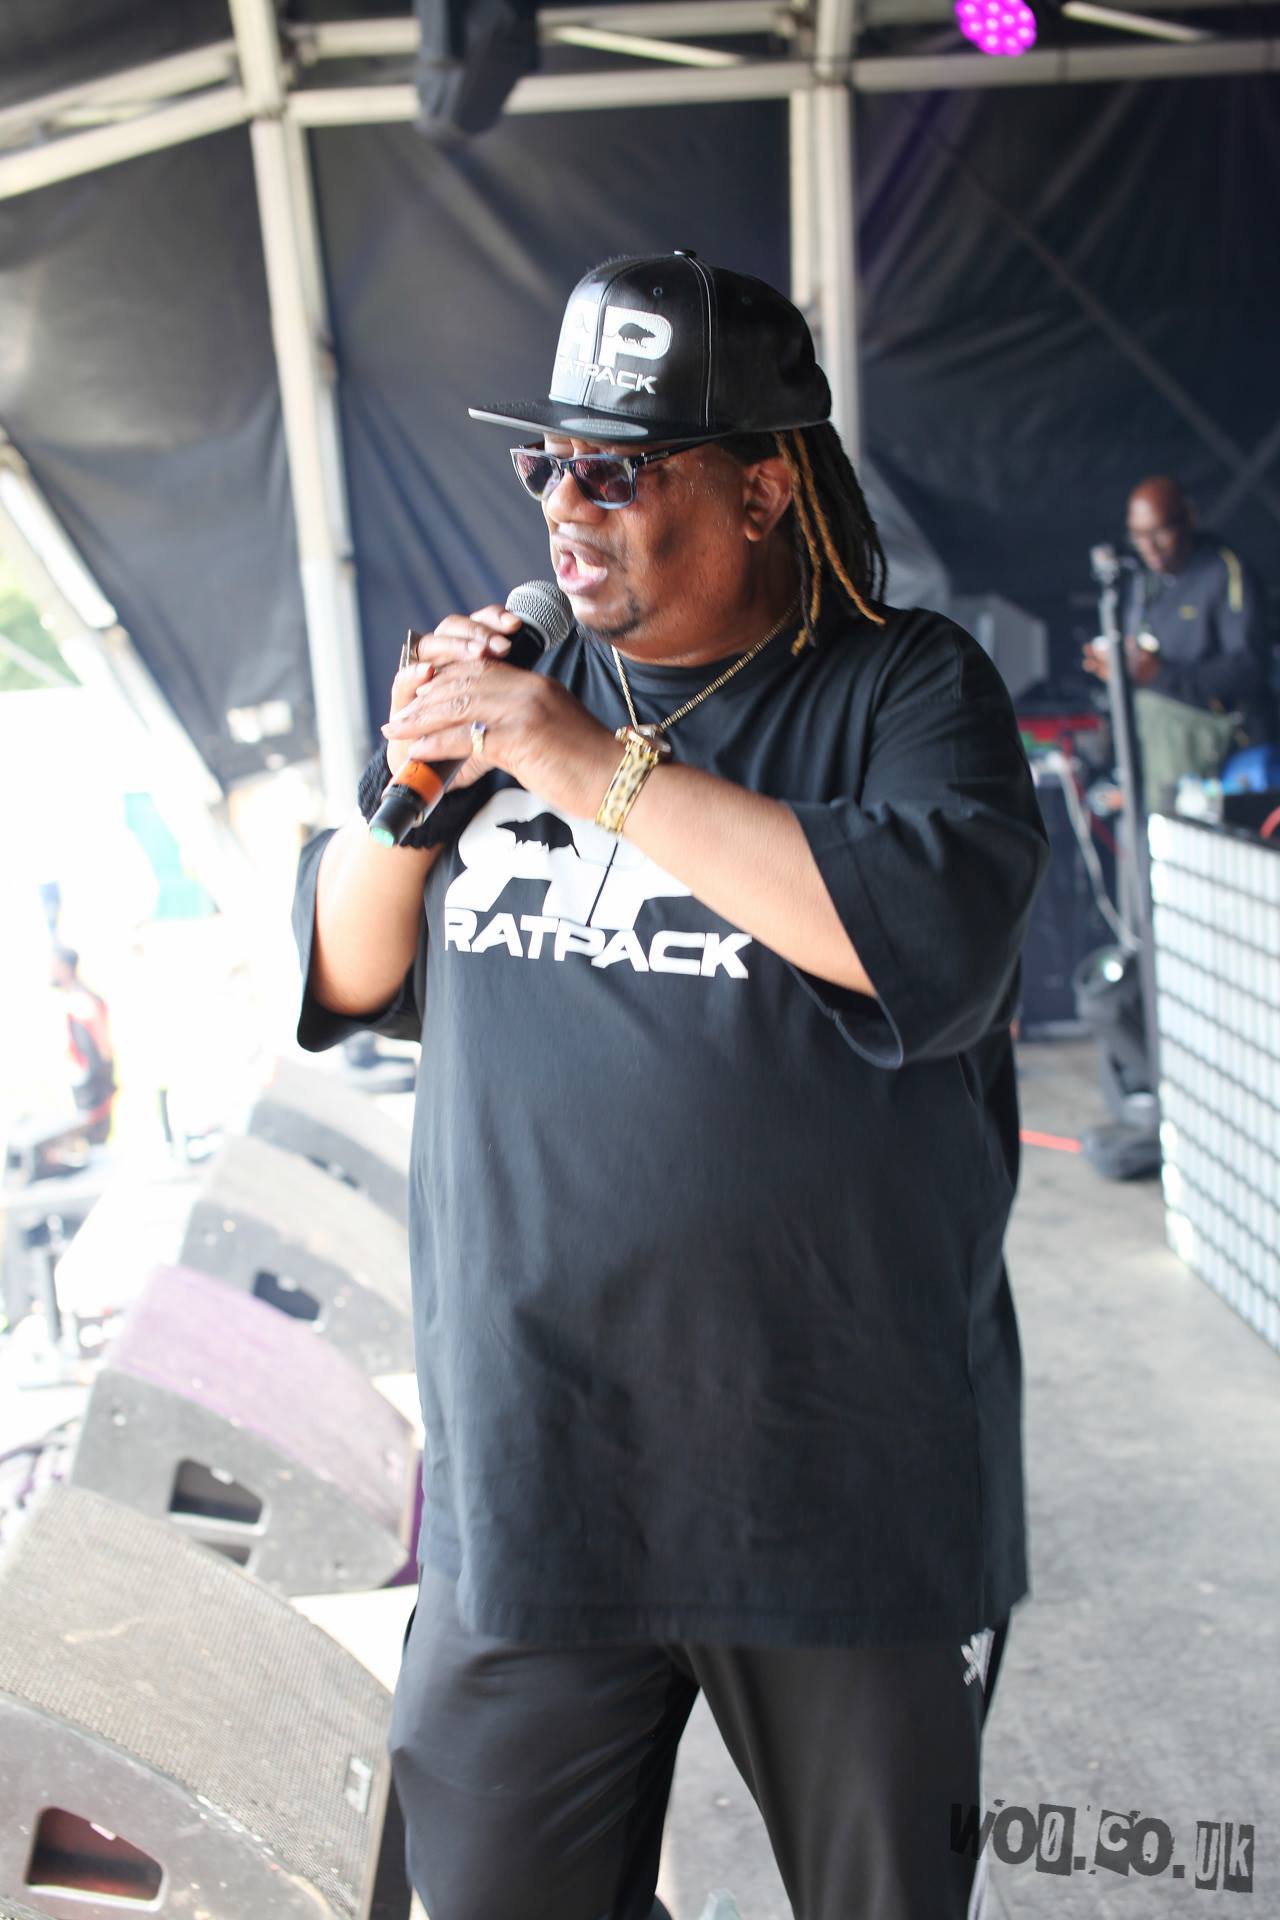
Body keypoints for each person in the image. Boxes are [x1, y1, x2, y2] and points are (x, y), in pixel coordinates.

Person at [292, 251, 1050, 1920]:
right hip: (536, 1474)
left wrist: (586, 766)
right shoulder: (513, 686)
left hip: (834, 1479)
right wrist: (412, 787)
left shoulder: (906, 688)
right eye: (548, 464)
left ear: (763, 488)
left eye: (618, 470)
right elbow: (344, 971)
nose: (569, 505)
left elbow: (917, 942)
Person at [1082, 476, 1274, 810]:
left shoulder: (1224, 572)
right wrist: (1120, 668)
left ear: (1189, 519)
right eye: (1138, 535)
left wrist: (1158, 674)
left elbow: (1250, 667)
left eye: (1160, 532)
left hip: (1218, 742)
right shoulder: (1143, 579)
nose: (1149, 546)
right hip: (1153, 739)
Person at [49, 944, 115, 1148]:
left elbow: (102, 1046)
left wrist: (98, 1080)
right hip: (84, 1082)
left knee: (93, 1138)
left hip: (91, 1084)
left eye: (54, 966)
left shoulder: (81, 1000)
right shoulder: (74, 997)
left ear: (66, 968)